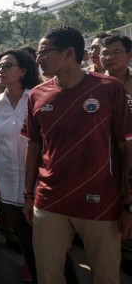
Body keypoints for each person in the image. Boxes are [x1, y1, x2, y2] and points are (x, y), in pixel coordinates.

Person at [22, 25, 132, 284]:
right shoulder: (37, 95)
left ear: (70, 52)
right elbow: (34, 147)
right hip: (49, 200)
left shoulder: (110, 89)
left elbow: (127, 149)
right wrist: (28, 195)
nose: (38, 59)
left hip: (102, 201)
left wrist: (128, 205)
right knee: (48, 275)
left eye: (44, 52)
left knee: (106, 276)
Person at [0, 50, 41, 282]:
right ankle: (33, 267)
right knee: (23, 233)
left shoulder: (37, 98)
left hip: (39, 181)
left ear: (24, 71)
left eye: (7, 65)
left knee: (47, 236)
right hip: (8, 180)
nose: (1, 70)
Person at [99, 33, 132, 275]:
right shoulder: (96, 86)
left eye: (115, 52)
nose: (109, 57)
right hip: (111, 157)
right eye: (104, 53)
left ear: (129, 55)